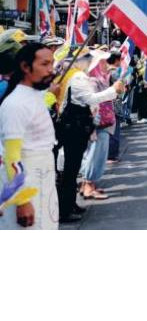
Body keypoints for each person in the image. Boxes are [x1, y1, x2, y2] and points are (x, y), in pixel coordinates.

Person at [57, 50, 124, 222]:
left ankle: (69, 204)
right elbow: (89, 98)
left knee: (72, 169)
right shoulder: (78, 77)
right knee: (71, 170)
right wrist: (112, 91)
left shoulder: (74, 74)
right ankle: (65, 209)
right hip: (74, 128)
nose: (92, 62)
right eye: (91, 59)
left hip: (75, 126)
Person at [0, 43, 58, 229]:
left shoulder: (34, 95)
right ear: (26, 67)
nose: (51, 69)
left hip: (44, 179)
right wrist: (22, 200)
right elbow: (11, 156)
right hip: (27, 185)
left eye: (52, 63)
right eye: (44, 64)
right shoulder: (15, 104)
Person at [79, 51, 116, 200]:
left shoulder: (102, 78)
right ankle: (88, 185)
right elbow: (92, 102)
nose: (106, 64)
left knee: (97, 153)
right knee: (95, 154)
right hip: (97, 122)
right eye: (102, 61)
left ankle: (88, 184)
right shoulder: (92, 80)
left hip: (103, 121)